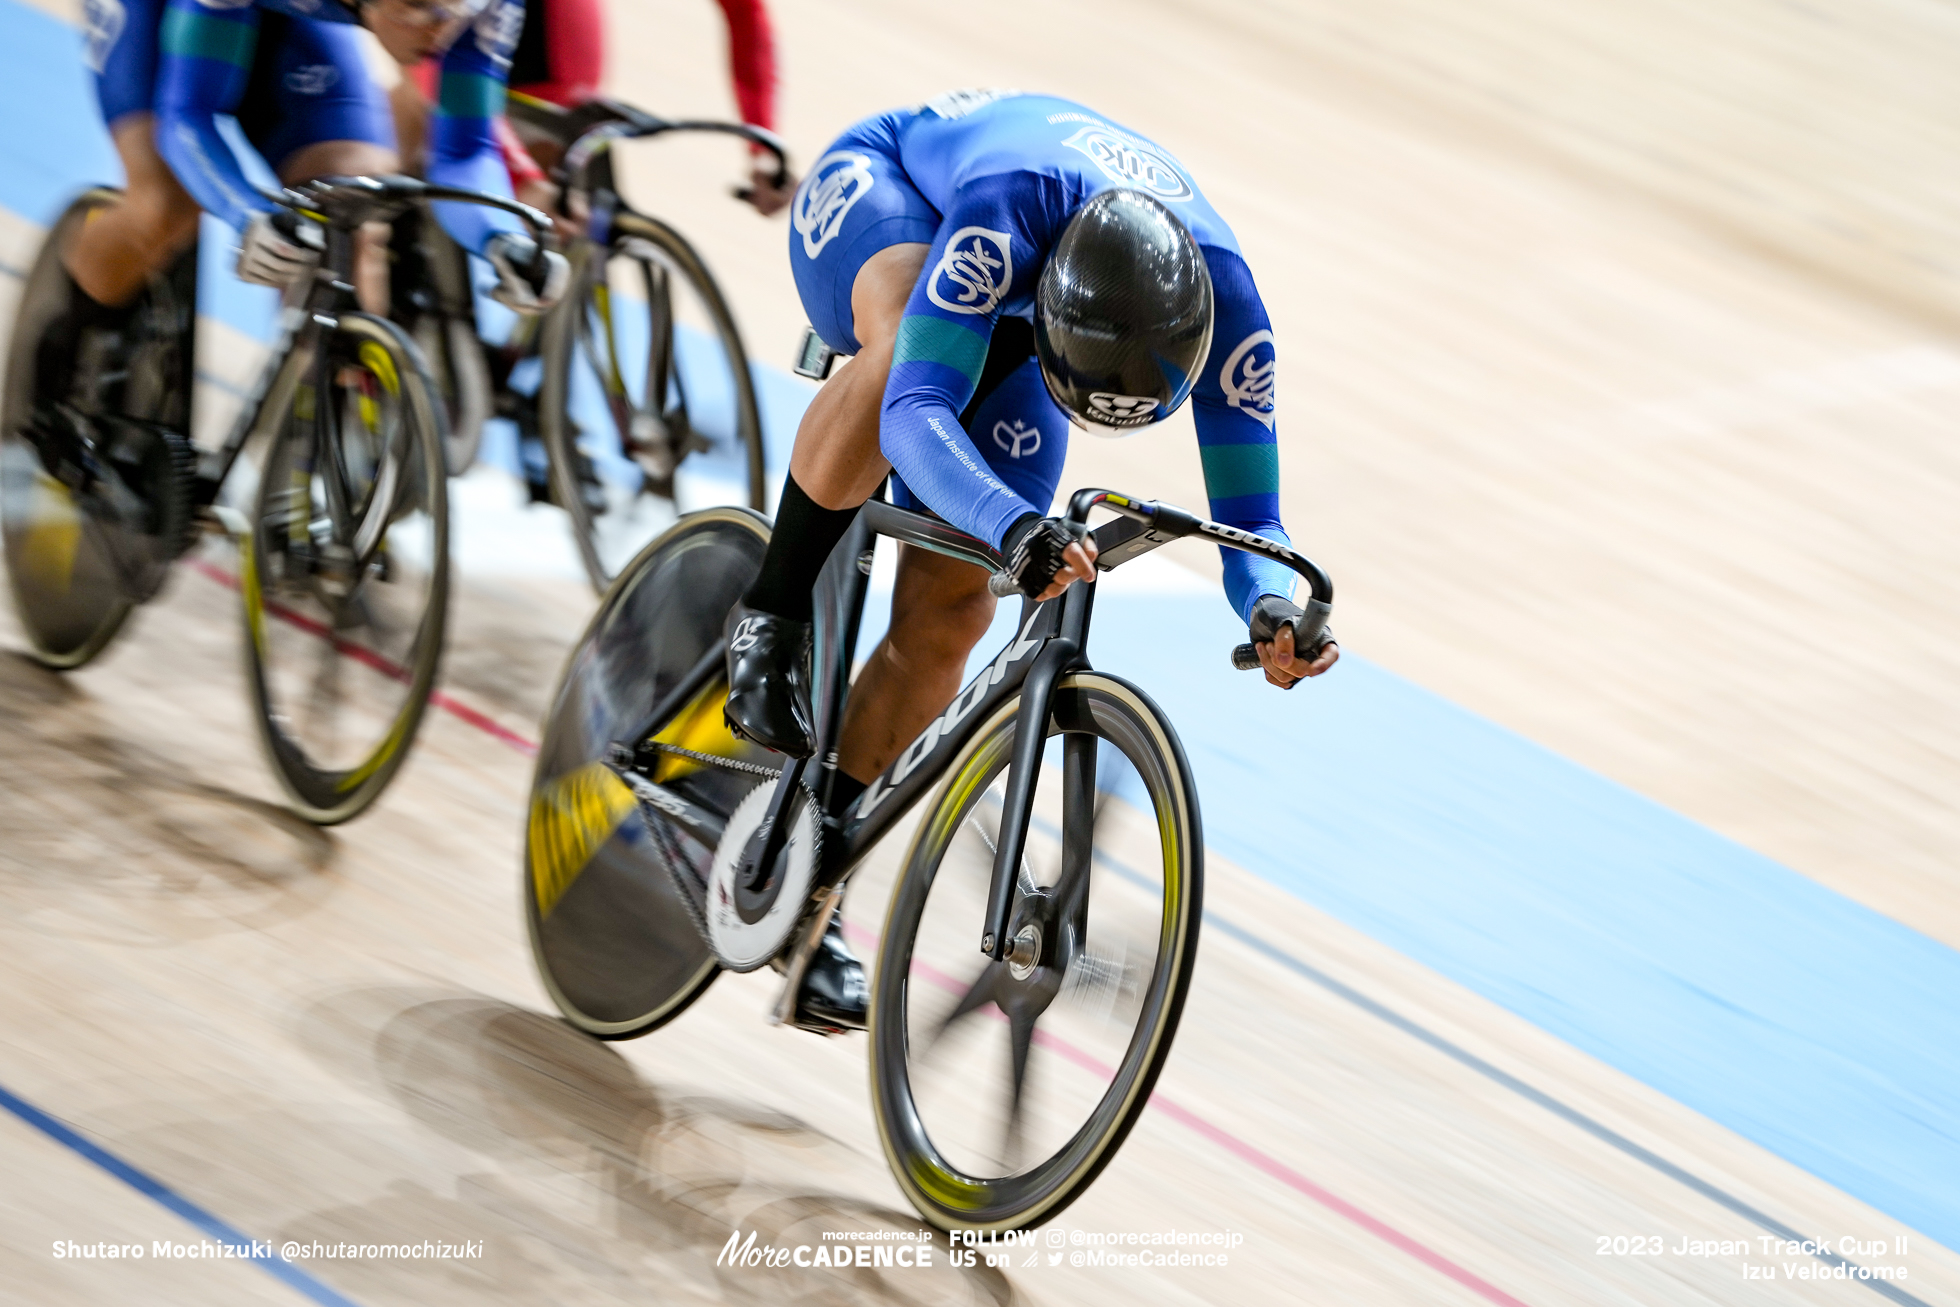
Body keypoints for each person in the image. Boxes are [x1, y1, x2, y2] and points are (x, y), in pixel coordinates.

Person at [729, 89, 1338, 1032]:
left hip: (1030, 308)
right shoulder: (1010, 209)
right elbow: (915, 412)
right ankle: (769, 615)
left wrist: (1268, 611)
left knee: (950, 622)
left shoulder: (1234, 308)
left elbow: (1255, 517)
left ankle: (817, 879)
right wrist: (1014, 526)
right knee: (898, 357)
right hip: (899, 195)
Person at [44, 0, 567, 416]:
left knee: (355, 198)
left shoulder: (477, 7)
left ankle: (319, 445)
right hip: (160, 12)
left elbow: (463, 149)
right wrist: (246, 212)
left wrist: (502, 239)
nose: (440, 31)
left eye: (456, 11)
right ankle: (65, 360)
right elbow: (188, 116)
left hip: (299, 16)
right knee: (165, 203)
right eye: (416, 7)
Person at [390, 0, 796, 228]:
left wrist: (760, 143)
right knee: (424, 93)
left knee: (553, 172)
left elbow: (746, 13)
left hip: (550, 31)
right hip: (468, 19)